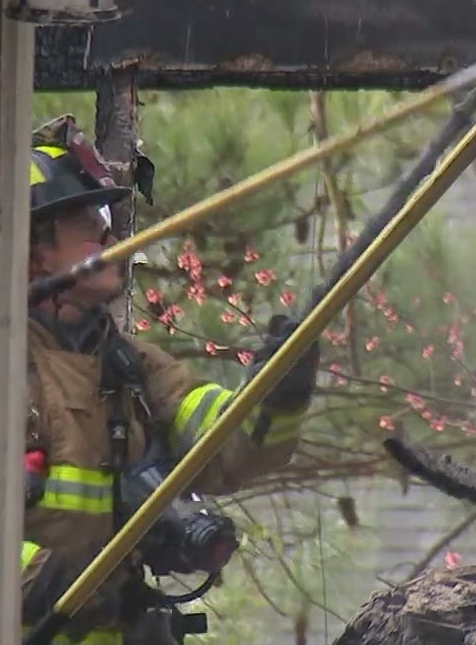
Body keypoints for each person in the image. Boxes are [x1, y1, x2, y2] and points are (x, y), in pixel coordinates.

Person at [19, 142, 320, 644]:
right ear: (33, 253)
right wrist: (49, 578)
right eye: (88, 227)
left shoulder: (131, 366)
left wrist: (277, 392)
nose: (112, 238)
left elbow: (226, 443)